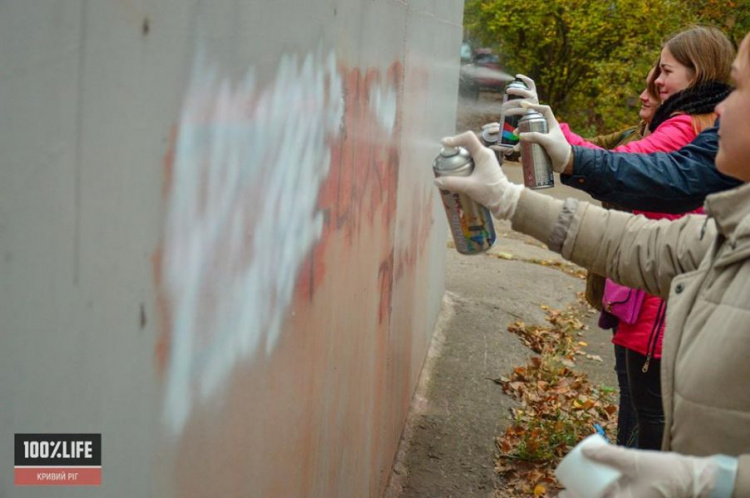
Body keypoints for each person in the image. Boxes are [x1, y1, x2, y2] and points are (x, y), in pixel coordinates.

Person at [434, 30, 750, 497]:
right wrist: (507, 199)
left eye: (740, 88)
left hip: (650, 321)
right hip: (637, 313)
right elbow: (637, 245)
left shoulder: (688, 126)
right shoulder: (734, 227)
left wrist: (711, 482)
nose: (721, 107)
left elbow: (658, 173)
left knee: (646, 414)